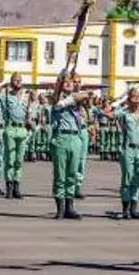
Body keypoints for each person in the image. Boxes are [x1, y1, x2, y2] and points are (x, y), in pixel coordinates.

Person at [103, 88, 139, 219]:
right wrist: (118, 102)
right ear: (129, 100)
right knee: (127, 179)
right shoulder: (123, 113)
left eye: (138, 97)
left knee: (137, 179)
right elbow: (107, 113)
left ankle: (134, 209)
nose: (136, 99)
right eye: (133, 97)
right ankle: (125, 209)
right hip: (128, 149)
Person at [50, 70, 90, 219]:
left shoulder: (76, 97)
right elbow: (56, 101)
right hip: (61, 137)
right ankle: (60, 208)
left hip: (75, 137)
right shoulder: (57, 98)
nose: (68, 83)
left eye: (70, 81)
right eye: (65, 81)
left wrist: (75, 93)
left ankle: (70, 207)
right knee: (60, 175)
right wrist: (59, 80)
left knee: (72, 174)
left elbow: (85, 96)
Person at [0, 72, 28, 199]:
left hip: (22, 129)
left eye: (19, 80)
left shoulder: (25, 96)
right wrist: (2, 86)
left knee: (19, 160)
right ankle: (9, 186)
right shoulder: (5, 96)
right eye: (15, 80)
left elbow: (28, 113)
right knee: (9, 159)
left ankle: (17, 186)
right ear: (11, 82)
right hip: (10, 128)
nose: (18, 82)